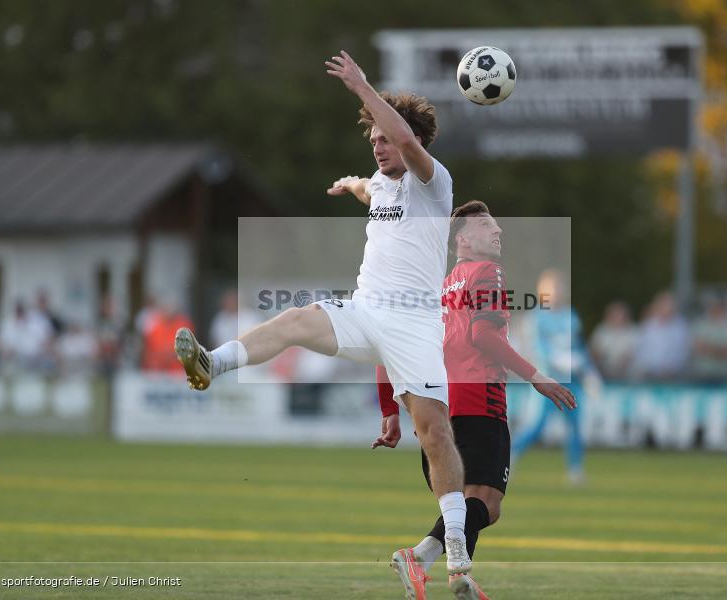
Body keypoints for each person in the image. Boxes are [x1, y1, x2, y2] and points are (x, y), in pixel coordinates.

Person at [174, 50, 474, 577]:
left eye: (385, 137)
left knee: (434, 432)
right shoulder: (380, 183)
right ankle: (210, 364)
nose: (380, 146)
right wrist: (349, 184)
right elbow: (368, 188)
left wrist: (362, 87)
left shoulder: (434, 182)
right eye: (374, 140)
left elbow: (404, 141)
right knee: (293, 320)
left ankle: (455, 547)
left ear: (413, 140)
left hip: (414, 322)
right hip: (363, 310)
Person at [373, 201, 576, 600]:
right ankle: (420, 557)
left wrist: (389, 409)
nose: (498, 231)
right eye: (487, 226)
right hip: (479, 398)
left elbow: (388, 346)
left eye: (498, 225)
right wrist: (536, 377)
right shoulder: (489, 273)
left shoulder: (439, 284)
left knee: (463, 501)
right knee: (489, 504)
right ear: (463, 240)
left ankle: (457, 579)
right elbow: (484, 336)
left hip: (438, 404)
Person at [510, 269, 599, 485]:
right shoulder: (536, 317)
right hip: (547, 381)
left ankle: (575, 469)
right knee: (535, 426)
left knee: (576, 426)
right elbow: (538, 349)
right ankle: (508, 459)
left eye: (559, 288)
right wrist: (561, 359)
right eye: (552, 289)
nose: (557, 293)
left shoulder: (571, 316)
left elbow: (579, 346)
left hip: (572, 381)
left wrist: (589, 372)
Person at [589, 301, 637, 381]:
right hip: (603, 371)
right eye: (615, 315)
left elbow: (632, 355)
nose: (618, 318)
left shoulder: (633, 331)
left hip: (627, 373)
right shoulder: (601, 330)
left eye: (620, 315)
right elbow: (594, 351)